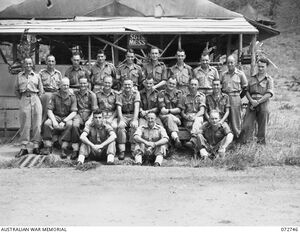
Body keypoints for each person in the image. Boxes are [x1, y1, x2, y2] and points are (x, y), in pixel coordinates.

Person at [240, 58, 274, 144]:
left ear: (267, 67)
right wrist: (251, 101)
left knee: (262, 127)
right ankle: (246, 143)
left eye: (262, 67)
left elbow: (269, 94)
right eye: (259, 66)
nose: (260, 68)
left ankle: (261, 146)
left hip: (263, 104)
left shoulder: (269, 79)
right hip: (251, 104)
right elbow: (246, 91)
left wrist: (258, 102)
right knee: (246, 125)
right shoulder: (252, 78)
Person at [15, 57, 44, 157]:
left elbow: (41, 90)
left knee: (37, 124)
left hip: (35, 98)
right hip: (24, 98)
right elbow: (16, 90)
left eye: (30, 63)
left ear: (32, 64)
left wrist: (34, 98)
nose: (28, 65)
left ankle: (36, 146)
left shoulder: (37, 76)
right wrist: (24, 98)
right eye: (26, 64)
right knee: (25, 124)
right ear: (23, 65)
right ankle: (24, 147)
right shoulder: (19, 76)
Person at [42, 78, 77, 158]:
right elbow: (49, 110)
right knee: (47, 123)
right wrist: (54, 121)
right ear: (60, 86)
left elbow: (74, 112)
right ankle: (48, 146)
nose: (66, 87)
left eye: (67, 85)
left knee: (69, 124)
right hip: (56, 117)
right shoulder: (54, 96)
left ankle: (63, 148)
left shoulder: (72, 96)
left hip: (67, 117)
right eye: (64, 85)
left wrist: (64, 121)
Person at [220, 55, 248, 139]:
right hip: (225, 97)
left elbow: (245, 87)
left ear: (235, 63)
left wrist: (239, 97)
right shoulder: (224, 74)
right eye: (228, 63)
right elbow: (219, 86)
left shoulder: (240, 74)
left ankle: (238, 137)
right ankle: (226, 138)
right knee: (225, 118)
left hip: (235, 97)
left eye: (232, 62)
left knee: (236, 119)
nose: (230, 64)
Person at [72, 78, 98, 159]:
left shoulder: (92, 95)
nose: (83, 85)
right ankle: (75, 148)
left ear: (87, 84)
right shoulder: (75, 94)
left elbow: (94, 111)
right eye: (81, 83)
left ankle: (87, 150)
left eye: (84, 83)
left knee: (89, 126)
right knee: (75, 125)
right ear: (78, 84)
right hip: (78, 114)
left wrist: (89, 120)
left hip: (89, 115)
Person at [116, 79, 140, 160]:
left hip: (133, 114)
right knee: (120, 127)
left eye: (129, 85)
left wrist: (135, 119)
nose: (127, 86)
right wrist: (121, 119)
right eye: (125, 85)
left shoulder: (136, 93)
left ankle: (133, 150)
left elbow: (137, 107)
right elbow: (119, 108)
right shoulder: (119, 94)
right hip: (124, 115)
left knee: (134, 126)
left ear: (132, 85)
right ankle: (122, 150)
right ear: (123, 85)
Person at [158, 77, 183, 148]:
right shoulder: (161, 93)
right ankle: (175, 137)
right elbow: (162, 110)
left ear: (176, 85)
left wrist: (168, 111)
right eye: (170, 83)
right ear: (166, 83)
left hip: (177, 117)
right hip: (164, 117)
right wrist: (171, 113)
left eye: (173, 84)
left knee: (170, 117)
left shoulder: (179, 93)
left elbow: (179, 109)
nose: (171, 85)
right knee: (169, 117)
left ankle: (173, 139)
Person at [180, 78, 206, 148]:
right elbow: (182, 112)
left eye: (195, 84)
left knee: (198, 120)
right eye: (192, 84)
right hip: (188, 118)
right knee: (195, 124)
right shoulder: (184, 96)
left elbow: (202, 111)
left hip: (198, 117)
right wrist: (186, 117)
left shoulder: (202, 96)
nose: (193, 86)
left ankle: (193, 139)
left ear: (198, 86)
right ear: (189, 85)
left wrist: (195, 117)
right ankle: (196, 142)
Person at [39, 54, 62, 122]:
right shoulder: (41, 73)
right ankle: (42, 123)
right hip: (45, 94)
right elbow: (39, 86)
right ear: (46, 62)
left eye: (52, 61)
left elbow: (60, 87)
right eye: (49, 61)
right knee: (48, 97)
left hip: (55, 94)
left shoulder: (58, 73)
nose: (51, 63)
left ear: (55, 62)